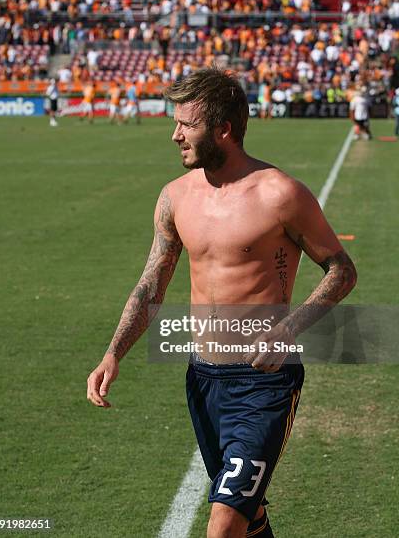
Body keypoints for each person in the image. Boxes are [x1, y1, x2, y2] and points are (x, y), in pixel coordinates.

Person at [87, 68, 357, 537]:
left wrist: (289, 329)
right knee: (248, 517)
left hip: (263, 386)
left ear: (223, 130)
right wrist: (114, 352)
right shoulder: (174, 197)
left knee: (224, 524)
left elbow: (342, 270)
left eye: (186, 125)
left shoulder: (280, 194)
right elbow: (153, 282)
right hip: (203, 380)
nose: (175, 136)